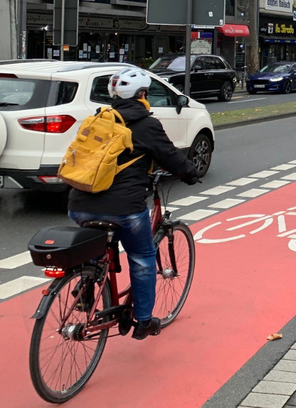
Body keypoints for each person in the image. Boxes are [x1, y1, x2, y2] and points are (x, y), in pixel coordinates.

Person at [67, 68, 199, 340]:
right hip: (124, 208)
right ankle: (143, 320)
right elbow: (170, 156)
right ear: (142, 95)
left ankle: (88, 282)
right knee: (142, 257)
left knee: (96, 246)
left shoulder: (98, 119)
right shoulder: (146, 124)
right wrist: (190, 173)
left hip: (79, 203)